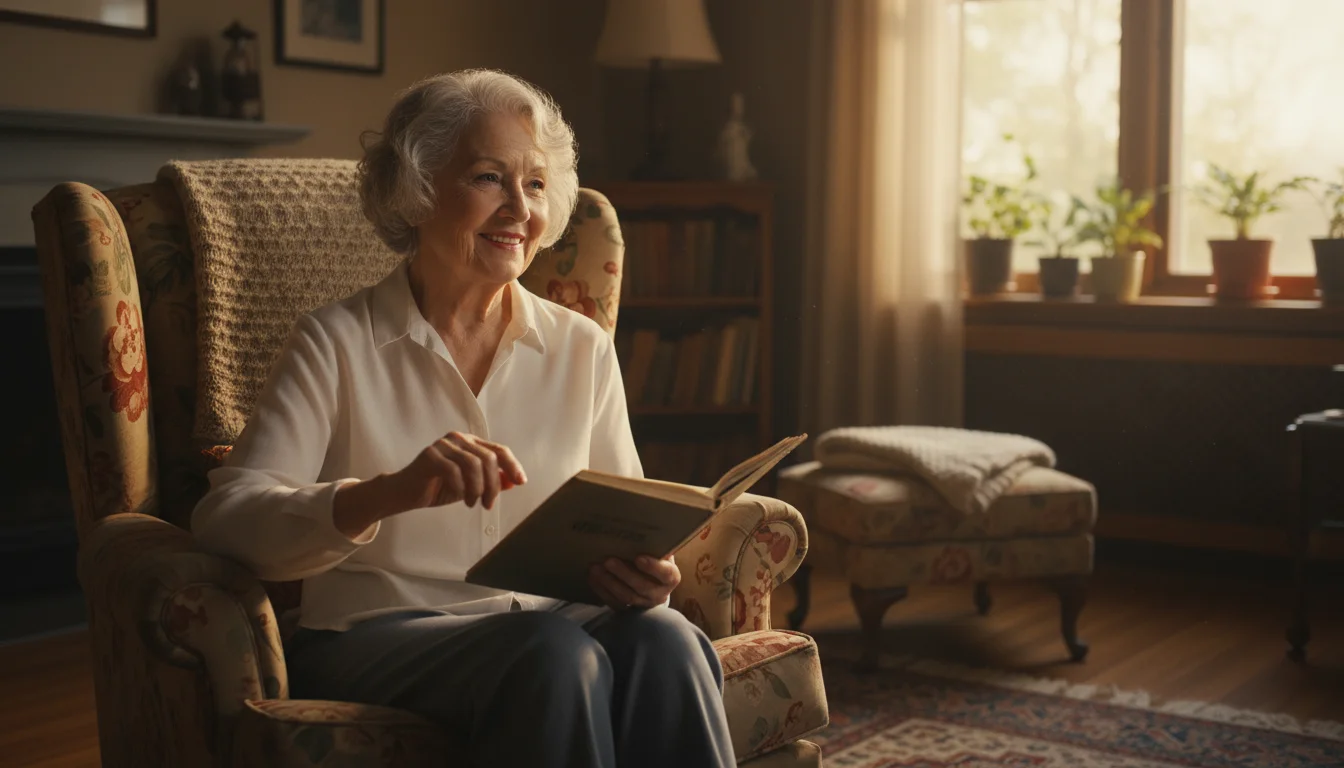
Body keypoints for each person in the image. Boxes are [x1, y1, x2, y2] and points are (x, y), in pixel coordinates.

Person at [191, 69, 736, 768]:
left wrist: (644, 572)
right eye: (488, 178)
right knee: (551, 652)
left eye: (535, 184)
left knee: (665, 640)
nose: (519, 208)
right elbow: (227, 517)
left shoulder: (582, 347)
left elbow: (622, 514)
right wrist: (387, 493)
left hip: (551, 625)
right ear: (415, 190)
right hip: (376, 637)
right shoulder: (335, 341)